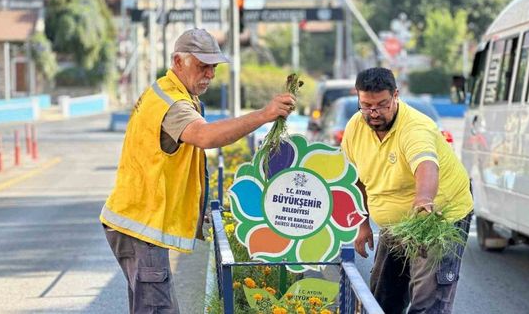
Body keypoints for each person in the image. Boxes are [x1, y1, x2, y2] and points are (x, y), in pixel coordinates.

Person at [100, 28, 296, 313]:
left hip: (136, 220)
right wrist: (264, 115)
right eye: (202, 65)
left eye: (213, 67)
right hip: (140, 224)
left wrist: (195, 206)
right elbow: (205, 137)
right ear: (178, 61)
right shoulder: (172, 104)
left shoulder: (170, 93)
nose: (210, 74)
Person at [341, 67, 473, 314]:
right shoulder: (355, 127)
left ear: (396, 95)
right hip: (397, 221)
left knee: (427, 302)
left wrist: (423, 201)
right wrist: (363, 223)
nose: (374, 113)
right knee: (382, 298)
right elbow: (355, 179)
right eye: (366, 105)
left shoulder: (415, 128)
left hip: (436, 216)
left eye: (382, 104)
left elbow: (426, 166)